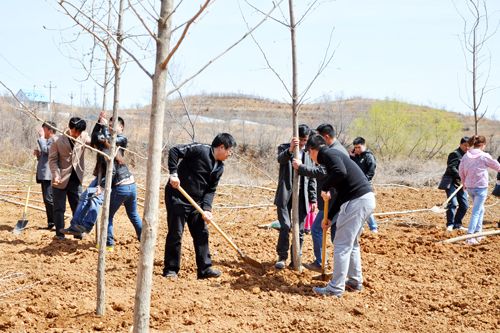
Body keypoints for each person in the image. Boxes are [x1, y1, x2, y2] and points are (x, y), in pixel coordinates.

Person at [305, 134, 375, 298]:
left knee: (342, 244)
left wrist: (325, 187)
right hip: (365, 199)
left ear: (311, 151)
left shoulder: (328, 154)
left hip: (357, 201)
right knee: (352, 243)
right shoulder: (334, 155)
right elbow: (339, 190)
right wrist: (329, 216)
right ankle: (355, 281)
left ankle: (335, 288)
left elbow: (339, 172)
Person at [60, 113, 142, 251]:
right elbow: (96, 136)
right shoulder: (103, 144)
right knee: (86, 195)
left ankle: (94, 230)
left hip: (114, 181)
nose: (92, 147)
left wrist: (102, 187)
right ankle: (76, 225)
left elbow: (113, 171)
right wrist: (99, 123)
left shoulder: (112, 145)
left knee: (98, 201)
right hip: (118, 181)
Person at [163, 133, 236, 279]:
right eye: (229, 151)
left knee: (202, 233)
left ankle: (204, 270)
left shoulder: (219, 167)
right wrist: (174, 174)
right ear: (222, 147)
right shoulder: (200, 149)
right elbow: (174, 151)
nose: (230, 154)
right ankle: (171, 270)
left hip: (196, 203)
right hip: (177, 196)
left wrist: (207, 209)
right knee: (176, 233)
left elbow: (210, 189)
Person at [292, 123, 348, 273]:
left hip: (333, 201)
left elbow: (323, 172)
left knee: (317, 229)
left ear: (326, 138)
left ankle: (322, 263)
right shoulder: (338, 149)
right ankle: (336, 268)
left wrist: (301, 167)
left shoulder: (332, 152)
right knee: (336, 237)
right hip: (337, 201)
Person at [274, 124, 317, 269]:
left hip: (302, 197)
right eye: (301, 140)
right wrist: (291, 149)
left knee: (299, 230)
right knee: (285, 226)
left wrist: (312, 199)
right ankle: (282, 256)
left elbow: (312, 177)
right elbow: (281, 159)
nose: (304, 143)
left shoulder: (309, 153)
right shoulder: (285, 147)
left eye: (306, 140)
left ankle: (295, 258)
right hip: (285, 194)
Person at [49, 117, 91, 240]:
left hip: (75, 180)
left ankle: (77, 232)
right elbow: (52, 160)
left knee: (78, 208)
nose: (77, 135)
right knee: (59, 209)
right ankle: (59, 234)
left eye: (79, 132)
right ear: (69, 127)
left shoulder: (84, 137)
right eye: (74, 131)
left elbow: (94, 143)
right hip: (59, 181)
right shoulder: (57, 140)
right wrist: (56, 174)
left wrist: (101, 126)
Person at [459, 135, 500, 244]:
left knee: (480, 209)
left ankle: (479, 233)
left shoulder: (466, 155)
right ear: (482, 145)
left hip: (469, 187)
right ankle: (470, 236)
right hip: (481, 188)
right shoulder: (484, 156)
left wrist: (464, 183)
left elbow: (461, 170)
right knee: (476, 211)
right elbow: (497, 166)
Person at [350, 137, 378, 232]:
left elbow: (371, 172)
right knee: (359, 207)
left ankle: (373, 227)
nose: (357, 149)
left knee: (365, 207)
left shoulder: (368, 156)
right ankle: (361, 227)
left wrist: (363, 181)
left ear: (364, 146)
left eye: (359, 147)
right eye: (355, 147)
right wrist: (352, 157)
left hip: (364, 185)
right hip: (356, 185)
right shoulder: (356, 156)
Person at [443, 137, 469, 231]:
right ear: (460, 144)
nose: (467, 147)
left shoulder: (469, 156)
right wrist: (461, 176)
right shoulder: (455, 154)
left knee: (464, 205)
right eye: (465, 145)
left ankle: (457, 224)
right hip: (452, 182)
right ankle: (450, 224)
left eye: (469, 145)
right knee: (452, 203)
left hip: (462, 184)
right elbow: (451, 167)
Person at [34, 121, 56, 231]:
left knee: (49, 199)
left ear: (50, 131)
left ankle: (56, 223)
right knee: (46, 199)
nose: (42, 132)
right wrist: (39, 155)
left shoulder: (55, 140)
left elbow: (46, 150)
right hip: (44, 174)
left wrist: (41, 138)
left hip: (49, 175)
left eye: (44, 130)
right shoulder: (48, 141)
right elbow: (45, 155)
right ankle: (51, 223)